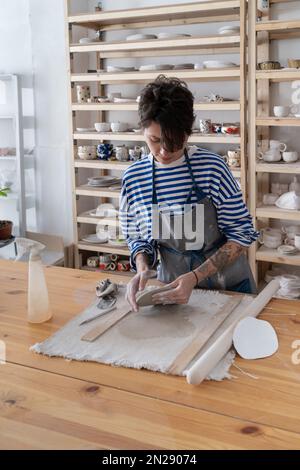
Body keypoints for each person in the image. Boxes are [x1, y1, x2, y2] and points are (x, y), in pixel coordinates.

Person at [120, 75, 259, 312]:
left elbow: (242, 233)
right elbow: (137, 238)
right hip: (170, 288)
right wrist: (142, 268)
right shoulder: (134, 178)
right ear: (143, 130)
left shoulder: (211, 168)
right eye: (155, 140)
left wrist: (194, 277)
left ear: (188, 132)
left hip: (229, 287)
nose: (164, 151)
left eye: (174, 142)